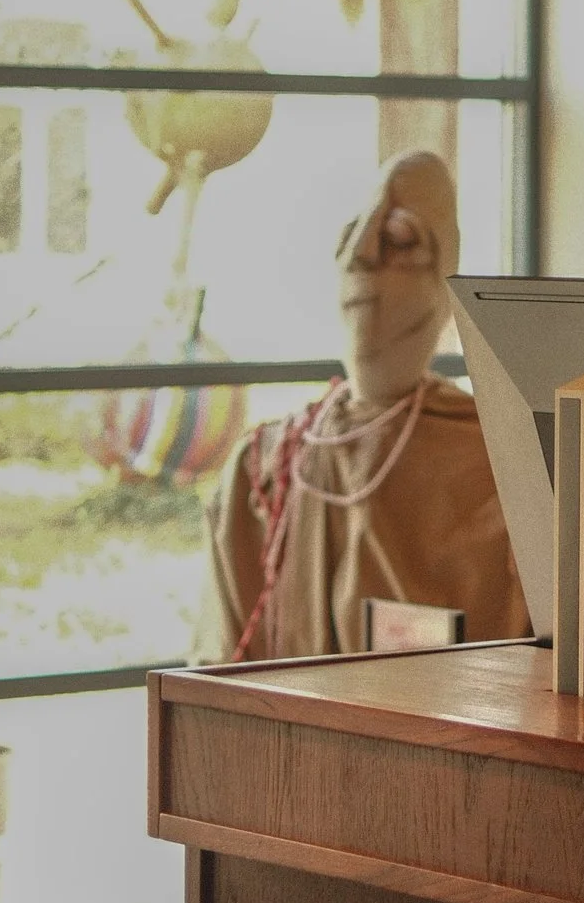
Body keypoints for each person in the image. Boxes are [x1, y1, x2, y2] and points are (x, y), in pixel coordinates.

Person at [204, 147, 529, 661]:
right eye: (348, 235)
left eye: (398, 238)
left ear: (444, 283)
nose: (360, 255)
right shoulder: (260, 466)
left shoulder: (506, 473)